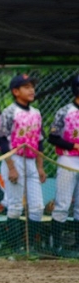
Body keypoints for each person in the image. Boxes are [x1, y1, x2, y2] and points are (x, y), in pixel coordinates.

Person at [0, 73, 46, 249]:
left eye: (32, 86)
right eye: (26, 87)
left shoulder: (36, 113)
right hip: (14, 159)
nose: (31, 90)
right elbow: (2, 141)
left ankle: (30, 247)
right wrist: (11, 168)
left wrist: (40, 167)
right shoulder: (9, 112)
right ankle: (15, 247)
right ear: (15, 91)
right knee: (15, 205)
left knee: (37, 207)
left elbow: (40, 141)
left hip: (31, 161)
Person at [47, 74, 79, 254]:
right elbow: (53, 137)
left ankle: (77, 246)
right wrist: (74, 145)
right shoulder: (65, 111)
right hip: (68, 159)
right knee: (63, 203)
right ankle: (56, 246)